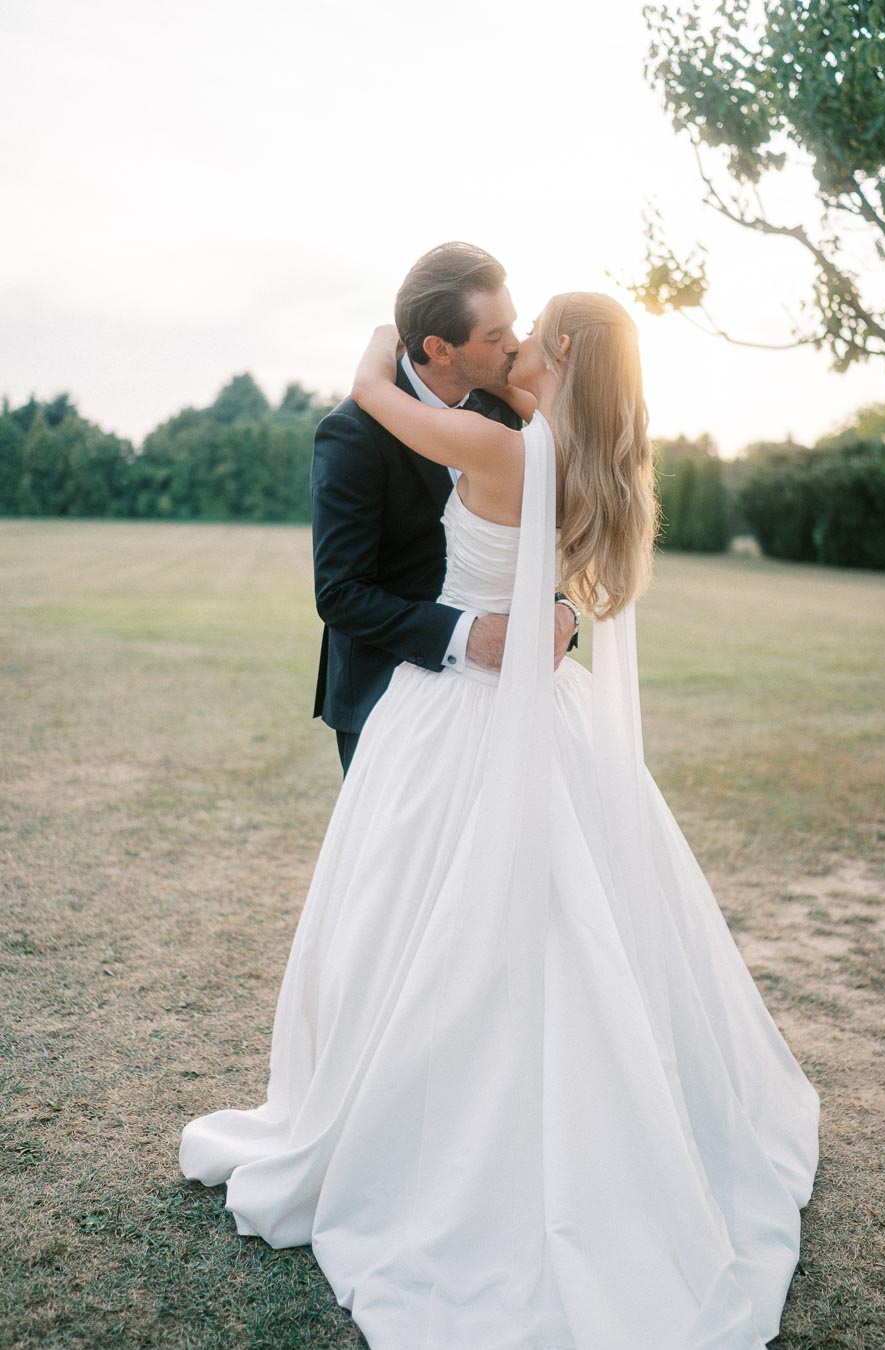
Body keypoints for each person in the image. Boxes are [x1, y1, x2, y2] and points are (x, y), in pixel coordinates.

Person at [180, 291, 820, 1350]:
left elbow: (367, 391)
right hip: (535, 707)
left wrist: (388, 338)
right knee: (553, 921)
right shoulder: (588, 459)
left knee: (437, 918)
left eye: (528, 333)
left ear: (556, 352)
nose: (512, 344)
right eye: (500, 329)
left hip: (463, 716)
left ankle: (445, 1147)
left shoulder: (500, 444)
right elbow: (566, 594)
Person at [310, 242, 577, 774]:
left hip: (507, 700)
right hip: (386, 701)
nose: (515, 345)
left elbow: (539, 539)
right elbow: (341, 594)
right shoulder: (352, 434)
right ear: (440, 347)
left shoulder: (507, 412)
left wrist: (562, 613)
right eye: (494, 336)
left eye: (514, 326)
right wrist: (469, 637)